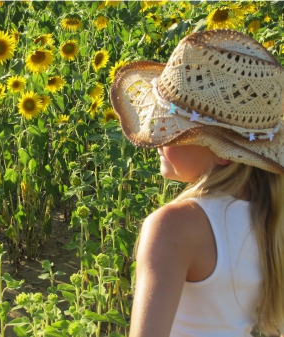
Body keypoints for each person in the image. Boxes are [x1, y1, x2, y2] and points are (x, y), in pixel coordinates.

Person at [110, 29, 284, 337]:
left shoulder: (176, 226)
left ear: (224, 154)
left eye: (175, 131)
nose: (158, 137)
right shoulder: (270, 217)